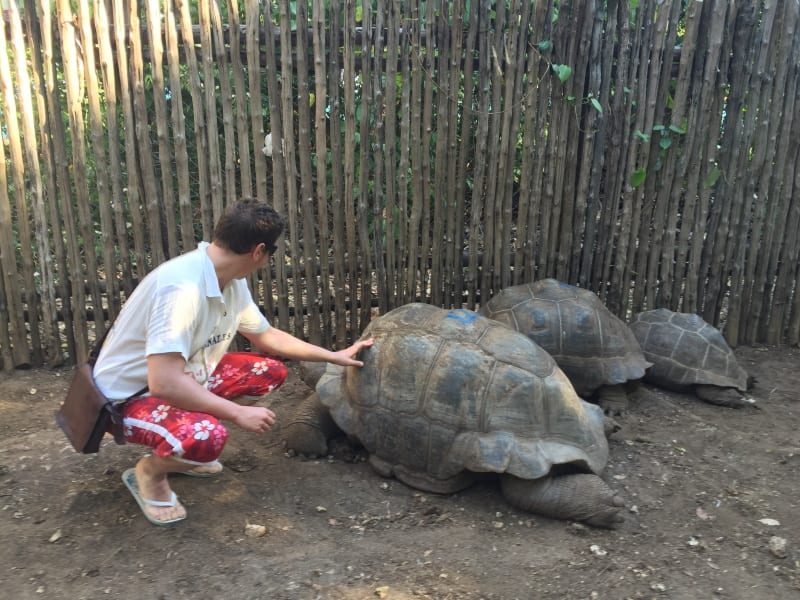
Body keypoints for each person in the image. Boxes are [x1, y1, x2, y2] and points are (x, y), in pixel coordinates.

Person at [93, 199, 373, 526]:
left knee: (268, 372)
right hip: (126, 399)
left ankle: (183, 445)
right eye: (274, 251)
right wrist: (237, 413)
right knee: (208, 438)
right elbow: (163, 383)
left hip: (180, 378)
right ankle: (150, 472)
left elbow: (267, 336)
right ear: (258, 251)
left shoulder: (228, 281)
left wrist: (333, 356)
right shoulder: (181, 290)